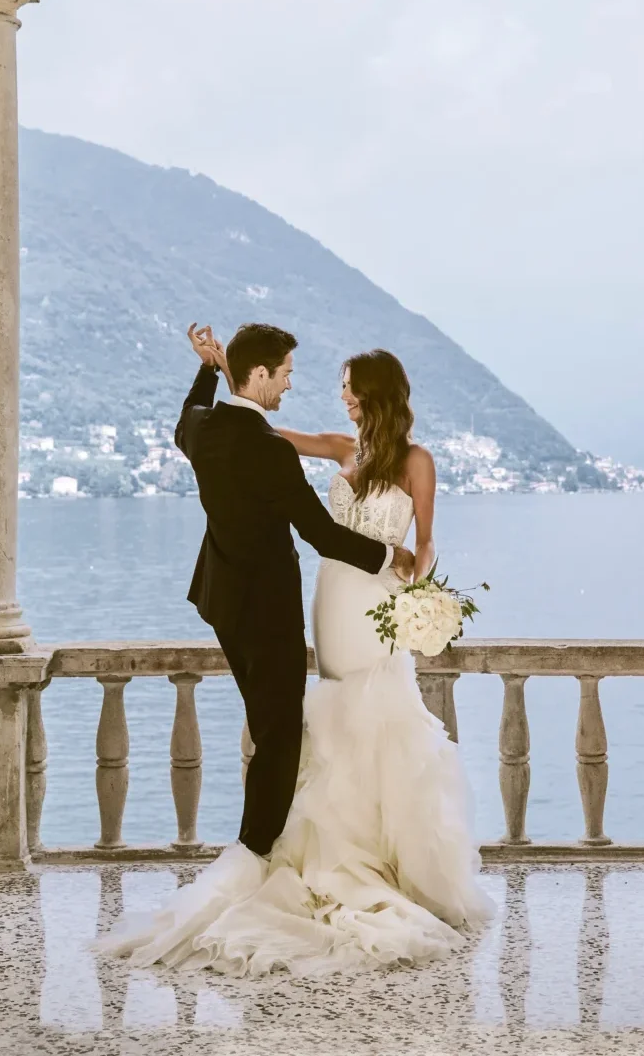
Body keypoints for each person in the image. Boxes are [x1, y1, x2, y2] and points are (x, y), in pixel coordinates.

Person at [97, 327, 493, 976]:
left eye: (347, 388)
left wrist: (419, 587)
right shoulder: (327, 448)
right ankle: (299, 847)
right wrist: (383, 555)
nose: (325, 393)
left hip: (361, 601)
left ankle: (360, 852)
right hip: (333, 595)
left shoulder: (413, 460)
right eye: (285, 373)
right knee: (313, 722)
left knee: (361, 717)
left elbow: (221, 429)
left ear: (373, 395)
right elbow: (297, 502)